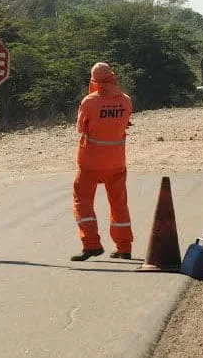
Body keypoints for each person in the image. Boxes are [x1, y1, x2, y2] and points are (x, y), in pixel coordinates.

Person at [71, 62, 134, 261]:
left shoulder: (89, 102)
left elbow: (81, 128)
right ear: (113, 77)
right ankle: (124, 248)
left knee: (83, 202)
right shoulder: (126, 101)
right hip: (116, 161)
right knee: (119, 203)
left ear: (94, 80)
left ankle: (91, 245)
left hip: (90, 162)